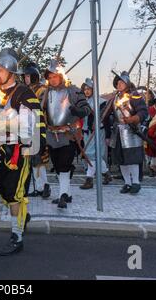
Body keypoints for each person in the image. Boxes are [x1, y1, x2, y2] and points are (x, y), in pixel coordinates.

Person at [0, 49, 46, 255]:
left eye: (0, 69)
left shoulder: (24, 94)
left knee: (14, 194)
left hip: (17, 152)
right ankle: (22, 217)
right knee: (5, 192)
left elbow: (29, 126)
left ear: (11, 72)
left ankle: (16, 236)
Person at [43, 59, 92, 209]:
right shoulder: (46, 94)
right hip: (52, 135)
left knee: (64, 164)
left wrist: (78, 111)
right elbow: (40, 110)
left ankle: (63, 195)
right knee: (57, 166)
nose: (52, 80)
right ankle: (67, 193)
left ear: (61, 76)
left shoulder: (74, 91)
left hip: (69, 134)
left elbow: (86, 109)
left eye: (54, 76)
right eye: (50, 77)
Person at [105, 71, 148, 195]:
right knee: (121, 159)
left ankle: (136, 182)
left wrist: (133, 119)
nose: (119, 84)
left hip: (131, 131)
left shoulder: (135, 96)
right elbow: (107, 114)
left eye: (122, 82)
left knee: (132, 159)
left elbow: (143, 112)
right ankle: (127, 183)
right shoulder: (115, 98)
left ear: (127, 84)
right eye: (118, 82)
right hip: (117, 131)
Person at [23, 63, 51, 199]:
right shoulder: (26, 90)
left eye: (28, 76)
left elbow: (41, 107)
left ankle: (45, 186)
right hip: (27, 128)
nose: (26, 78)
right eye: (25, 76)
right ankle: (39, 187)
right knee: (33, 159)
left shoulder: (42, 90)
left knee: (39, 159)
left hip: (39, 127)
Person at [80, 78, 113, 189]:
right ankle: (106, 174)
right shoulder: (84, 102)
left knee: (92, 155)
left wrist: (108, 135)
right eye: (85, 89)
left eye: (89, 89)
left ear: (94, 90)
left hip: (97, 132)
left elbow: (106, 119)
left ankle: (89, 179)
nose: (87, 91)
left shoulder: (101, 102)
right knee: (93, 155)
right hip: (87, 132)